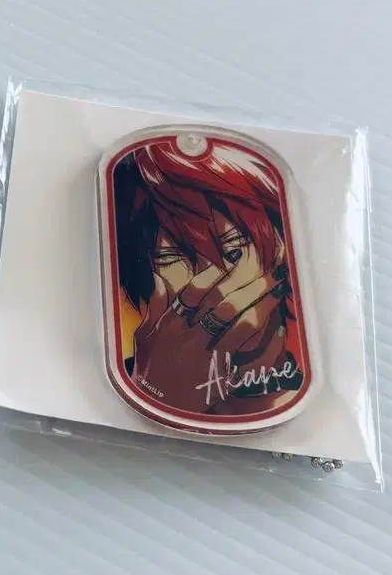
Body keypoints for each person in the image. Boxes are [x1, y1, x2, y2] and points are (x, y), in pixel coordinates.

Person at [113, 139, 304, 415]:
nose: (208, 284)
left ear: (281, 249)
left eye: (233, 251)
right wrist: (160, 396)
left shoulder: (315, 398)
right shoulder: (121, 387)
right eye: (170, 258)